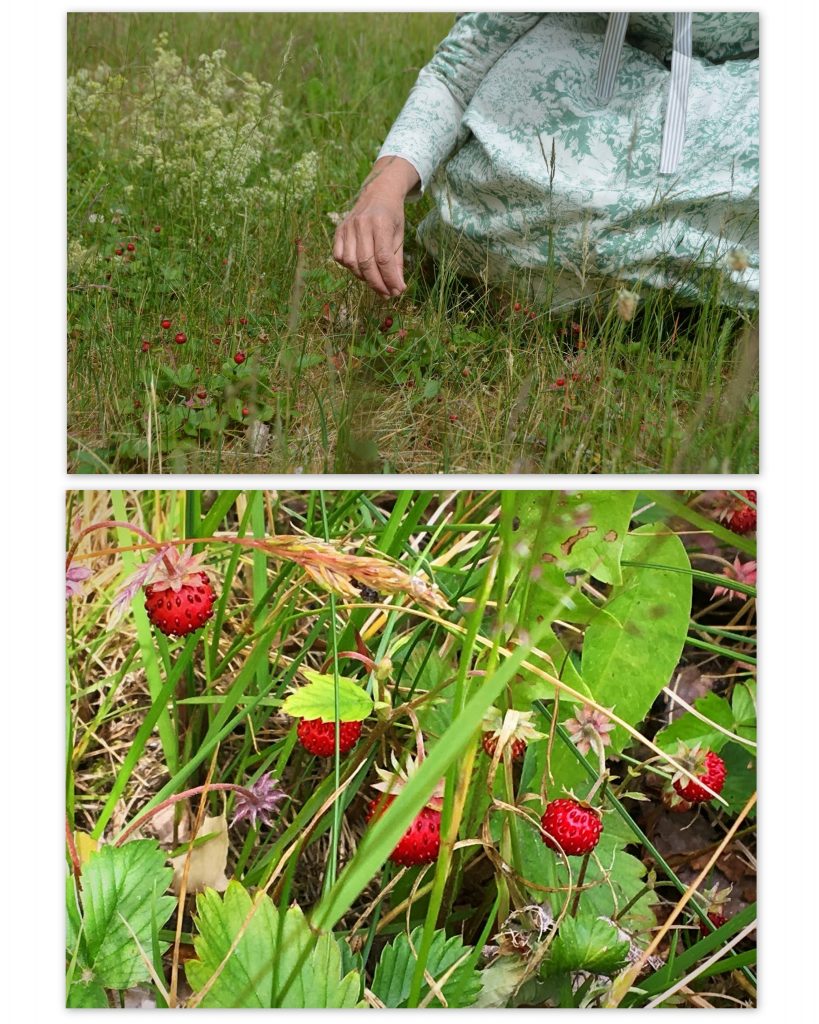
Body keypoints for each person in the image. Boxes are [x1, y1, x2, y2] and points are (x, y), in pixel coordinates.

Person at [333, 12, 758, 309]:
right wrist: (384, 189)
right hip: (601, 62)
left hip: (747, 87)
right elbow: (460, 65)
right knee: (499, 136)